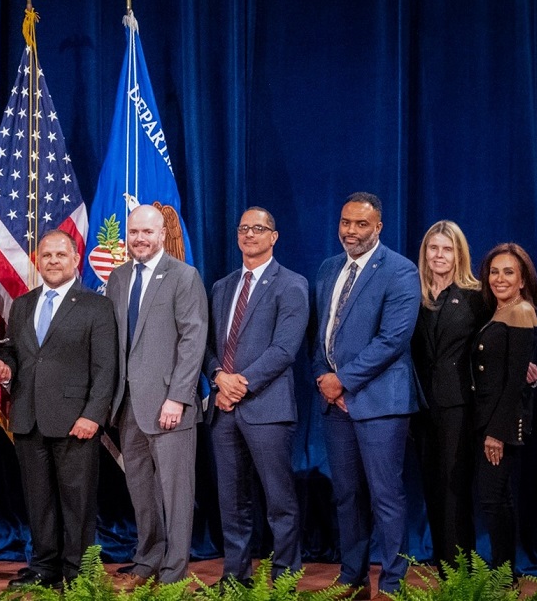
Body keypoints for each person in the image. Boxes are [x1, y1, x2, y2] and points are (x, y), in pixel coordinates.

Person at [312, 192, 421, 598]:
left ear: (378, 227)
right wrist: (324, 376)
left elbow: (393, 339)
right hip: (334, 404)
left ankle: (393, 584)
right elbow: (319, 337)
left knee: (385, 496)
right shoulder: (327, 269)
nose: (351, 231)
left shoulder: (400, 270)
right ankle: (351, 578)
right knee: (347, 496)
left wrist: (345, 380)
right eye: (345, 222)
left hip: (380, 403)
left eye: (361, 224)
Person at [2, 230, 117, 588]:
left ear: (75, 260)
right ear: (38, 260)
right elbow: (14, 354)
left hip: (75, 421)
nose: (52, 261)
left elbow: (106, 367)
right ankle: (44, 568)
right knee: (39, 501)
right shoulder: (22, 304)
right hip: (27, 417)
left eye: (60, 255)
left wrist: (93, 415)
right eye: (47, 255)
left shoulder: (96, 305)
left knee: (77, 502)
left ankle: (77, 573)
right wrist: (4, 366)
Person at [202, 208, 308, 584]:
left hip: (267, 409)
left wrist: (237, 383)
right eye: (244, 228)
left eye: (258, 228)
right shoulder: (221, 286)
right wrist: (217, 376)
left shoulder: (292, 284)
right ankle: (236, 579)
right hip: (224, 412)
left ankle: (284, 581)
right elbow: (208, 346)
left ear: (274, 236)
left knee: (280, 503)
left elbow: (284, 350)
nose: (250, 234)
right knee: (232, 504)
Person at [106, 204, 208, 585]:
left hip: (170, 405)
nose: (140, 239)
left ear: (163, 234)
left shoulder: (183, 276)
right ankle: (148, 560)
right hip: (127, 404)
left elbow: (193, 340)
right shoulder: (117, 278)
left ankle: (174, 572)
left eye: (147, 232)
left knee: (176, 493)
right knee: (141, 489)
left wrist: (178, 397)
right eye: (134, 232)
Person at [410, 221, 484, 571]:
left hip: (459, 406)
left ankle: (461, 570)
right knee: (431, 485)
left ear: (459, 254)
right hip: (421, 406)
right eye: (433, 248)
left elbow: (497, 341)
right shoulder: (413, 293)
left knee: (455, 487)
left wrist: (526, 364)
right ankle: (442, 565)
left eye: (447, 249)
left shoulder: (476, 296)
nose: (439, 255)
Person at [472, 243, 537, 573]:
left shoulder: (521, 311)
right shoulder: (497, 310)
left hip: (503, 425)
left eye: (509, 272)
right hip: (487, 417)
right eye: (494, 271)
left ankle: (503, 577)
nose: (500, 278)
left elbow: (514, 382)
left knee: (492, 499)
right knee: (498, 499)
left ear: (523, 279)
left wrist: (495, 434)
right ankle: (505, 575)